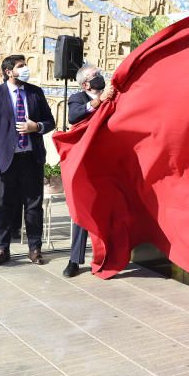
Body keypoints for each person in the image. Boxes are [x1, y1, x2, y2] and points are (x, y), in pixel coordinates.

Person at [0, 55, 55, 266]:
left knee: (33, 205)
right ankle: (3, 249)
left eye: (25, 65)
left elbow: (50, 121)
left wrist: (36, 127)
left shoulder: (35, 92)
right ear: (9, 71)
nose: (26, 69)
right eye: (21, 66)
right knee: (2, 204)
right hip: (3, 161)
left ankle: (35, 248)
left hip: (31, 158)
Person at [63, 65, 115, 277]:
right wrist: (99, 101)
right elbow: (74, 117)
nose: (100, 78)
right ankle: (74, 260)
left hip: (109, 162)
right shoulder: (77, 98)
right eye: (95, 76)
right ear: (85, 84)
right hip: (85, 164)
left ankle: (109, 256)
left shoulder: (112, 95)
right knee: (81, 211)